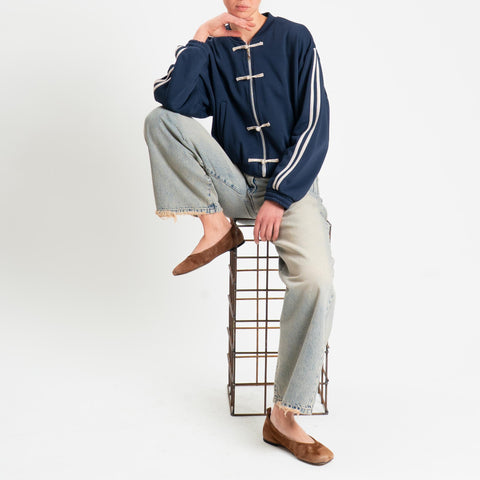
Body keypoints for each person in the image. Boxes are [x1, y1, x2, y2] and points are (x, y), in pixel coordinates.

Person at [143, 0, 336, 466]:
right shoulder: (213, 46)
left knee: (317, 282)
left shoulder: (295, 38)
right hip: (232, 184)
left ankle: (283, 417)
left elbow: (315, 123)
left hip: (291, 191)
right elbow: (172, 102)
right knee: (157, 121)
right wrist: (200, 38)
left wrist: (281, 196)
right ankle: (216, 226)